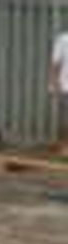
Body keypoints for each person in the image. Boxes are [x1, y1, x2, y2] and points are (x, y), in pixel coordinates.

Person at [51, 26, 68, 154]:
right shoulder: (63, 39)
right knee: (65, 118)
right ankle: (63, 146)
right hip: (66, 86)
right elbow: (55, 63)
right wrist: (55, 84)